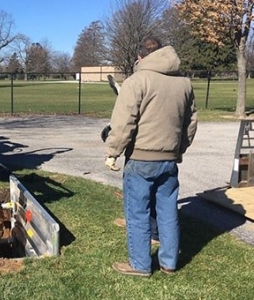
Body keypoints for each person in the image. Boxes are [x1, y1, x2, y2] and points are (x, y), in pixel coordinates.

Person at [105, 36, 197, 277]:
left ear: (140, 57)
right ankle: (168, 263)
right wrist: (179, 150)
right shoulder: (184, 84)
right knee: (168, 211)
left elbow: (124, 122)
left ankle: (140, 264)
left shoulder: (137, 81)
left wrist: (112, 152)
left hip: (140, 159)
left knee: (137, 212)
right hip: (169, 160)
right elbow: (190, 123)